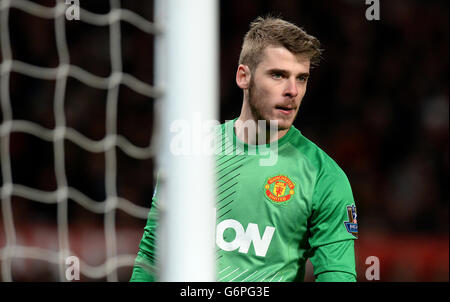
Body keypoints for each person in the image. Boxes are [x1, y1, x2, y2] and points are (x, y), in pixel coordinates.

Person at [130, 16, 358, 282]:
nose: (292, 90)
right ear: (243, 76)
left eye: (302, 78)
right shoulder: (191, 152)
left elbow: (337, 276)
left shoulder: (323, 177)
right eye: (278, 75)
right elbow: (153, 254)